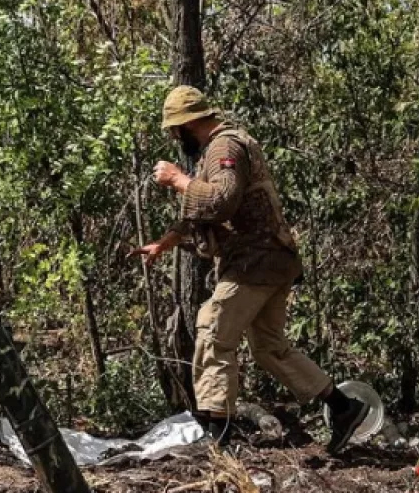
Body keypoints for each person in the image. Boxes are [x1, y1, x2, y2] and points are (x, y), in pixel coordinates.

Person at [133, 85, 370, 453]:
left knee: (213, 329)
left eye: (173, 131)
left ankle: (219, 441)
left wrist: (179, 180)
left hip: (254, 262)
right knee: (269, 348)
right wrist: (166, 241)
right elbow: (207, 211)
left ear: (185, 125)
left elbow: (223, 201)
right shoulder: (217, 149)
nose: (173, 139)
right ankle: (343, 407)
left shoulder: (224, 147)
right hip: (273, 261)